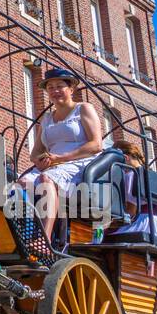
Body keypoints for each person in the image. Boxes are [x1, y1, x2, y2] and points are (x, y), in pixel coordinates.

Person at [20, 67, 104, 242]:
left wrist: (61, 158)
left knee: (46, 180)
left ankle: (45, 239)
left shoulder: (83, 109)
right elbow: (36, 152)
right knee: (20, 184)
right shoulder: (47, 119)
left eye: (59, 86)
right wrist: (39, 161)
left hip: (79, 163)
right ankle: (25, 234)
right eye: (50, 88)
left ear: (71, 89)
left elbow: (96, 144)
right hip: (52, 164)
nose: (55, 91)